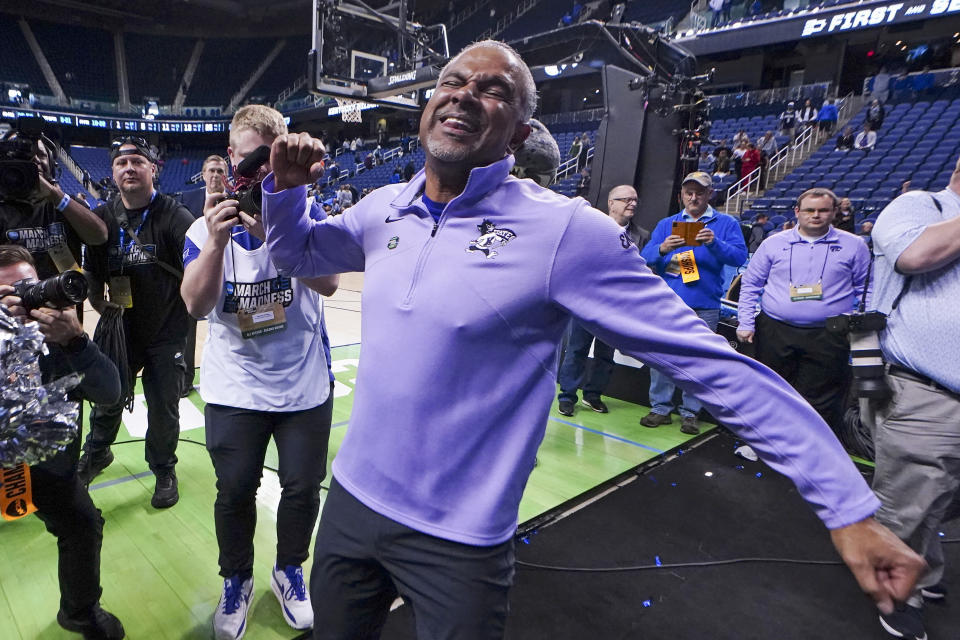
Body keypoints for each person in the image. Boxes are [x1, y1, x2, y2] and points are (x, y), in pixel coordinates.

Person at [259, 40, 923, 639]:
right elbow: (298, 254)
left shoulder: (566, 233)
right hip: (349, 504)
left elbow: (713, 364)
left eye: (493, 89)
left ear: (519, 132)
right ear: (429, 104)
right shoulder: (385, 207)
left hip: (458, 540)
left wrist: (847, 506)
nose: (465, 93)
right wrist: (285, 193)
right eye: (453, 80)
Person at [180, 105, 338, 639]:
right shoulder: (205, 227)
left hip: (303, 384)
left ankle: (290, 568)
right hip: (235, 386)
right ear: (231, 158)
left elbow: (331, 283)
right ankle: (237, 579)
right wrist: (219, 241)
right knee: (234, 491)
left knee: (302, 488)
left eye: (266, 164)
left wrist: (279, 231)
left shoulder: (303, 211)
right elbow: (195, 306)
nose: (255, 175)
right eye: (247, 162)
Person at [0, 244, 124, 640]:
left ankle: (80, 611)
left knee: (83, 525)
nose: (20, 301)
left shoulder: (57, 336)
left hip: (48, 469)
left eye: (28, 288)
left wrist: (77, 343)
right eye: (6, 294)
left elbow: (110, 393)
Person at [867, 157, 960, 639]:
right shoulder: (918, 205)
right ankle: (894, 593)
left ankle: (924, 572)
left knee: (938, 494)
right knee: (908, 500)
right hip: (926, 392)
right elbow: (915, 256)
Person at [79, 137, 194, 509]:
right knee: (107, 397)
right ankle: (96, 453)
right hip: (121, 331)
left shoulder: (173, 214)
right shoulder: (101, 217)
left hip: (166, 330)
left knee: (163, 407)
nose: (128, 167)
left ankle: (163, 468)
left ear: (152, 169)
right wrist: (98, 300)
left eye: (136, 161)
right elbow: (93, 271)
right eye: (121, 162)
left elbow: (197, 260)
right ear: (112, 172)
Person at [736, 188, 870, 435]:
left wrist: (861, 327)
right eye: (809, 210)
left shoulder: (854, 245)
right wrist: (745, 322)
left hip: (829, 335)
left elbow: (866, 289)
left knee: (822, 397)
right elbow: (751, 284)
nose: (816, 215)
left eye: (823, 210)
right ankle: (767, 443)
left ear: (834, 213)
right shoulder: (773, 243)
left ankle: (813, 450)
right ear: (797, 212)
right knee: (772, 390)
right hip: (775, 330)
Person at [639, 171, 748, 434]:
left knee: (698, 360)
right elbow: (644, 256)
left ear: (710, 194)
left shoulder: (725, 223)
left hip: (705, 304)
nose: (694, 197)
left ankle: (690, 412)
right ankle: (660, 408)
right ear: (682, 195)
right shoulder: (668, 223)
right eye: (689, 192)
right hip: (668, 302)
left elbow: (738, 257)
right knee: (663, 358)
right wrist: (663, 248)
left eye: (700, 192)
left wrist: (714, 244)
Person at [556, 185, 638, 416]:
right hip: (586, 302)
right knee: (576, 349)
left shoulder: (642, 235)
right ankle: (567, 396)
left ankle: (593, 395)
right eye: (626, 199)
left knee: (606, 355)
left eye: (635, 200)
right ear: (611, 203)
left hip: (616, 306)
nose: (632, 203)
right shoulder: (590, 228)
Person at [0, 130, 107, 281]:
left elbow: (99, 236)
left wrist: (55, 195)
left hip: (64, 303)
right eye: (24, 155)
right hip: (14, 303)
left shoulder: (67, 205)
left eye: (41, 154)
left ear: (51, 162)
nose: (35, 159)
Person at [179, 154, 231, 397]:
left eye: (220, 171)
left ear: (227, 175)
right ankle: (185, 380)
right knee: (187, 331)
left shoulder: (237, 200)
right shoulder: (188, 200)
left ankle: (226, 375)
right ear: (202, 174)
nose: (215, 175)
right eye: (211, 170)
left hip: (228, 274)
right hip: (195, 272)